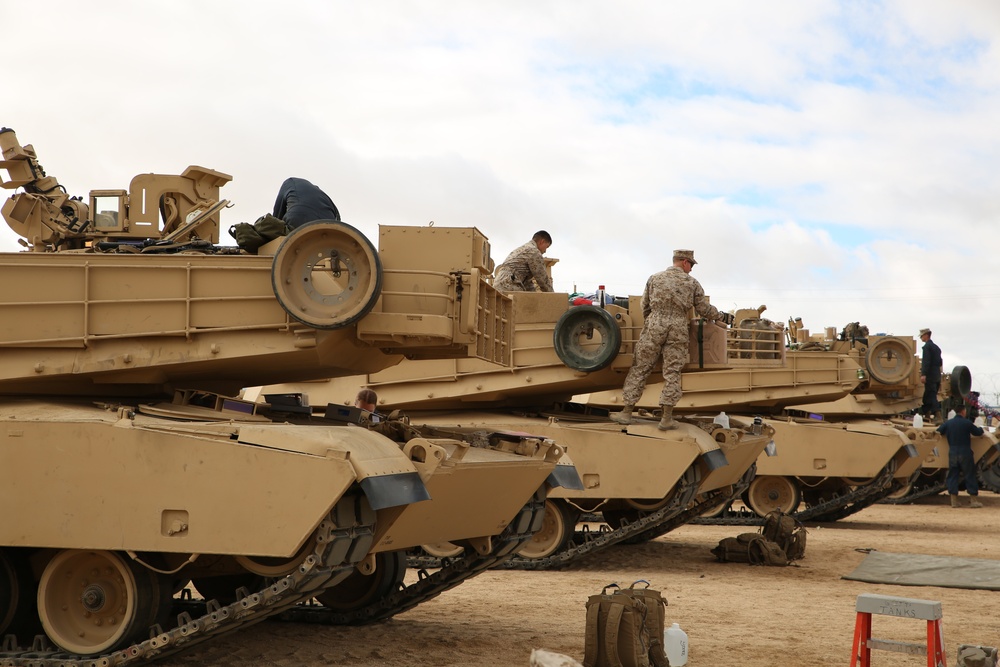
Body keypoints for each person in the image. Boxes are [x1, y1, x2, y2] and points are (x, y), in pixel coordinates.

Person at [611, 250, 734, 430]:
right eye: (691, 265)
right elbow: (703, 309)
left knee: (640, 367)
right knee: (672, 372)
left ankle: (626, 412)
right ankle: (666, 418)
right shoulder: (692, 283)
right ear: (684, 262)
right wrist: (721, 316)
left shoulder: (655, 278)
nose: (691, 270)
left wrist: (652, 321)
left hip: (655, 324)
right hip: (678, 326)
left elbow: (644, 305)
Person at [936, 404, 985, 508]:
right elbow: (978, 433)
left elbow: (939, 431)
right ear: (963, 412)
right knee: (969, 475)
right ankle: (973, 500)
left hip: (953, 452)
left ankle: (954, 501)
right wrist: (982, 429)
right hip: (965, 453)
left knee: (953, 475)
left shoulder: (948, 423)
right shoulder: (967, 423)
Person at [273, 177, 341, 230]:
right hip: (330, 227)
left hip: (297, 219)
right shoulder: (323, 195)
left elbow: (277, 214)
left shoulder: (289, 182)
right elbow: (338, 218)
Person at [919, 327, 942, 420]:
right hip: (937, 375)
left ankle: (939, 416)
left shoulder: (927, 347)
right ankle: (927, 414)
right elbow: (940, 362)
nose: (921, 338)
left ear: (926, 335)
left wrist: (924, 374)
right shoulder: (937, 348)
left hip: (930, 375)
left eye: (922, 336)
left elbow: (926, 361)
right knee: (927, 396)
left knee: (932, 396)